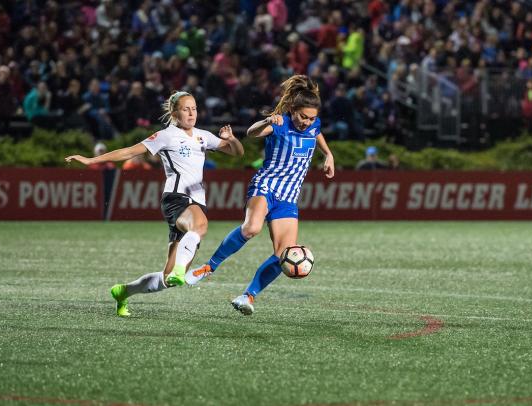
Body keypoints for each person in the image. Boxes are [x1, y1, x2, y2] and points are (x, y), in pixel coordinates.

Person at [65, 91, 244, 317]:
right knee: (200, 226)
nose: (191, 113)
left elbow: (237, 153)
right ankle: (180, 269)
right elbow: (129, 152)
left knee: (168, 279)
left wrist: (232, 138)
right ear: (174, 113)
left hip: (194, 203)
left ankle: (123, 292)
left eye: (194, 108)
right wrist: (92, 160)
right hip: (177, 199)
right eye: (186, 109)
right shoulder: (166, 136)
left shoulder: (203, 136)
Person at [186, 75, 335, 315]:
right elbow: (252, 132)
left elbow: (317, 134)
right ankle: (208, 267)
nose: (307, 122)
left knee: (282, 254)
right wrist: (267, 120)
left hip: (289, 196)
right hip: (265, 185)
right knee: (251, 228)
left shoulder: (313, 125)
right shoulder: (279, 123)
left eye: (312, 118)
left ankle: (248, 296)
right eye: (302, 116)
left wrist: (328, 154)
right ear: (291, 110)